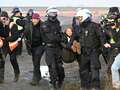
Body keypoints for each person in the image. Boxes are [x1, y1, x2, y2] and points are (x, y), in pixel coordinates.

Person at [74, 9, 102, 90]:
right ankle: (84, 86)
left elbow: (101, 37)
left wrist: (103, 46)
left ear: (85, 16)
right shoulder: (79, 27)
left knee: (94, 69)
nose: (78, 20)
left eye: (80, 17)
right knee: (83, 70)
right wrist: (70, 43)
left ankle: (95, 87)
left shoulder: (95, 26)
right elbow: (74, 36)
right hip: (83, 52)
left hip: (93, 51)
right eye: (78, 18)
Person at [41, 7, 65, 90]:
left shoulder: (57, 23)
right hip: (49, 48)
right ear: (48, 14)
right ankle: (53, 84)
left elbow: (60, 34)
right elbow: (51, 37)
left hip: (58, 48)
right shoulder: (44, 24)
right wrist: (60, 38)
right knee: (52, 67)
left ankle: (61, 80)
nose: (54, 15)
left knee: (60, 67)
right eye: (52, 13)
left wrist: (62, 37)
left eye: (55, 13)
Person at [28, 13, 45, 86]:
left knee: (36, 60)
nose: (34, 21)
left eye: (36, 19)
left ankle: (35, 79)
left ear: (39, 19)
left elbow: (47, 33)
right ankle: (39, 76)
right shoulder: (29, 25)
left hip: (41, 46)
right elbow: (25, 33)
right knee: (35, 62)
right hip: (33, 46)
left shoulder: (43, 25)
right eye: (33, 19)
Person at [0, 11, 9, 83]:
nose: (3, 18)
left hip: (4, 47)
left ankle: (1, 79)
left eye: (4, 17)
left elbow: (6, 35)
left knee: (2, 62)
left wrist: (6, 26)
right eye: (2, 17)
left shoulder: (9, 25)